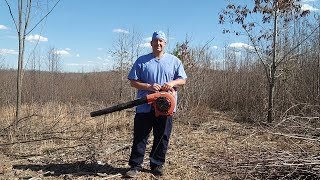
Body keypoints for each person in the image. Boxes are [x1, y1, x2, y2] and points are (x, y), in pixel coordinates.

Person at [125, 31, 187, 177]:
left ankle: (157, 165)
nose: (158, 44)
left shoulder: (174, 61)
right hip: (144, 107)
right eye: (155, 41)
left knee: (162, 136)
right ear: (151, 43)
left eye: (161, 41)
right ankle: (135, 166)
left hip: (166, 107)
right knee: (140, 137)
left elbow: (183, 80)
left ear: (165, 43)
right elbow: (133, 82)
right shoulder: (141, 61)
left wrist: (171, 83)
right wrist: (149, 87)